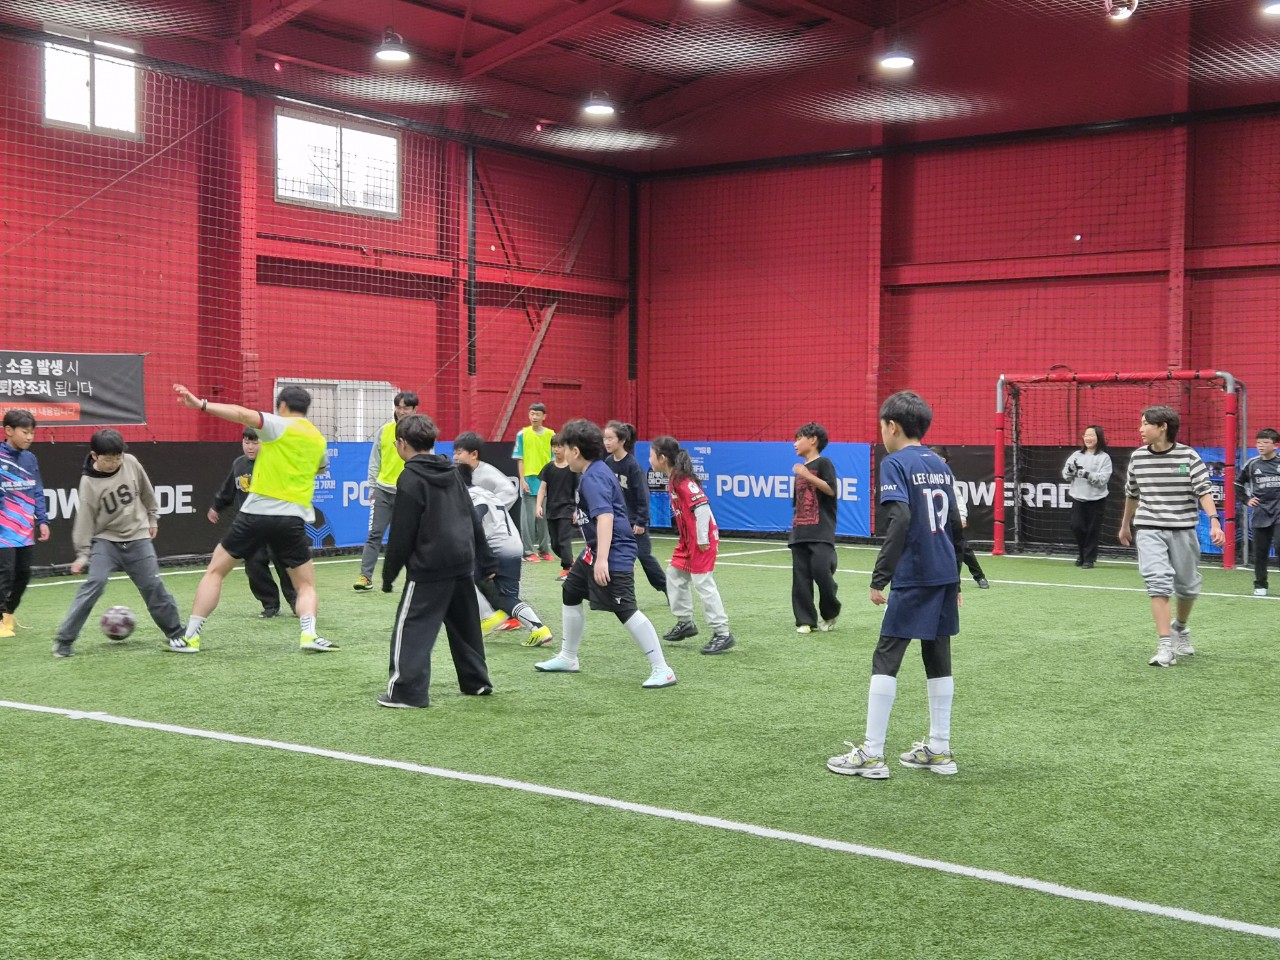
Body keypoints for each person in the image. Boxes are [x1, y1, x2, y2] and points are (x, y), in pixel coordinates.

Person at [828, 391, 964, 780]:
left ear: (892, 426)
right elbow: (955, 524)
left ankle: (872, 755)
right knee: (937, 656)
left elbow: (900, 519)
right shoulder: (939, 464)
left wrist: (880, 576)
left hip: (916, 572)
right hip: (943, 572)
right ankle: (940, 749)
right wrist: (956, 577)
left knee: (886, 656)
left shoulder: (894, 463)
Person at [171, 383, 336, 654]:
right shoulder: (318, 439)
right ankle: (309, 634)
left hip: (256, 513)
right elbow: (320, 469)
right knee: (305, 584)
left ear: (282, 406)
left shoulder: (278, 425)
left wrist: (200, 404)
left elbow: (241, 414)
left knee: (215, 572)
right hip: (292, 518)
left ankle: (190, 638)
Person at [533, 418, 676, 689]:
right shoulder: (596, 470)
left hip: (612, 552)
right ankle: (568, 657)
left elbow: (606, 517)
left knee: (625, 609)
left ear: (576, 451)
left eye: (565, 448)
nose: (561, 453)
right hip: (595, 549)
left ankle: (663, 669)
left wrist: (602, 560)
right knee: (570, 591)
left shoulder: (594, 476)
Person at [378, 414, 495, 708]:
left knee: (412, 627)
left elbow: (402, 532)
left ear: (402, 443)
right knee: (466, 626)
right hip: (462, 561)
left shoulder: (410, 477)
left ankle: (406, 693)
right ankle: (477, 682)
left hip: (430, 566)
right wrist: (486, 559)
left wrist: (389, 575)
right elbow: (472, 517)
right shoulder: (452, 471)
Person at [52, 430, 185, 657]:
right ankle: (64, 641)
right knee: (95, 583)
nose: (114, 463)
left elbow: (146, 491)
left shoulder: (131, 462)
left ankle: (176, 633)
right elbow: (85, 518)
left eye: (118, 457)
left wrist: (152, 517)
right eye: (108, 459)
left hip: (138, 537)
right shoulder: (88, 482)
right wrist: (83, 553)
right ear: (95, 456)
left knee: (153, 585)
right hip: (106, 541)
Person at [1118, 405, 1225, 667]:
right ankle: (1165, 646)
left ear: (1163, 427)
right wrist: (1125, 525)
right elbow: (1132, 493)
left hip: (1183, 529)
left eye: (1146, 424)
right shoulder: (1137, 457)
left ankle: (1181, 627)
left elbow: (1203, 490)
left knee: (1187, 587)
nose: (1140, 429)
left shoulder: (1188, 456)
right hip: (1149, 528)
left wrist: (1214, 521)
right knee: (1158, 583)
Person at [650, 435, 735, 655]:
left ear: (662, 458)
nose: (649, 459)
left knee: (703, 583)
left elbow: (703, 508)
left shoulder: (683, 481)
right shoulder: (674, 479)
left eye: (651, 455)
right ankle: (685, 622)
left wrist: (703, 539)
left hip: (701, 540)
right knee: (674, 574)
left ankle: (722, 633)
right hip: (688, 541)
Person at [458, 463, 553, 648]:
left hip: (496, 546)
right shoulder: (486, 492)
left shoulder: (471, 495)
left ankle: (488, 616)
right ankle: (539, 629)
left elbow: (477, 515)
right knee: (507, 597)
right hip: (514, 545)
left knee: (459, 576)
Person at [208, 426, 298, 618]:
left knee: (284, 563)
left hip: (276, 524)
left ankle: (297, 602)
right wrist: (216, 506)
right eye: (246, 442)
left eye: (255, 443)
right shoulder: (238, 465)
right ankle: (270, 604)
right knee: (254, 565)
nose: (250, 447)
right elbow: (228, 490)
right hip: (251, 527)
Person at [355, 392, 419, 590]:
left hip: (409, 493)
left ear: (414, 409)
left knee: (412, 537)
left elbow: (427, 460)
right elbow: (375, 460)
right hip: (383, 490)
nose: (401, 411)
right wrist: (372, 486)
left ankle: (415, 578)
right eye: (398, 407)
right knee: (375, 534)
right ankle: (365, 577)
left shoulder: (420, 432)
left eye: (406, 408)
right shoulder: (384, 431)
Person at [0, 409, 49, 638]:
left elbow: (36, 490)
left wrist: (42, 520)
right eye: (25, 432)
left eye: (32, 432)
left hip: (24, 529)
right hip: (2, 529)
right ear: (8, 430)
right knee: (5, 574)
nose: (29, 437)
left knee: (23, 574)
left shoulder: (30, 459)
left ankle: (8, 614)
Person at [604, 421, 667, 595]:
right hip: (616, 521)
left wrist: (640, 521)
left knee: (645, 557)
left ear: (622, 440)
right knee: (616, 557)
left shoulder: (632, 465)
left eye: (610, 438)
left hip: (633, 523)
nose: (606, 442)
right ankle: (618, 593)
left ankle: (667, 588)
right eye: (605, 438)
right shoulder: (608, 462)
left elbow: (643, 496)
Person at [790, 421, 841, 633]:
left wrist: (807, 474)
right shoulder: (801, 470)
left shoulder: (823, 463)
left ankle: (830, 612)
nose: (795, 443)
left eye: (799, 438)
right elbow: (798, 503)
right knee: (800, 578)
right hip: (800, 532)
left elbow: (831, 490)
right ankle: (805, 620)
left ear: (812, 440)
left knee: (822, 572)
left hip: (821, 532)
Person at [929, 445, 990, 588]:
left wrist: (962, 516)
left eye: (933, 457)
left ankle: (978, 576)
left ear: (943, 460)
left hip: (950, 518)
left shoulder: (947, 477)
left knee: (962, 548)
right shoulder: (924, 475)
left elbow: (958, 498)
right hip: (932, 520)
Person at [1235, 427, 1280, 597]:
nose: (1261, 445)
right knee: (1260, 551)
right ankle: (1260, 584)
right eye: (1258, 442)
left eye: (1265, 442)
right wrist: (1247, 500)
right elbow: (1238, 484)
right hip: (1261, 512)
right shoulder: (1252, 464)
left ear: (1275, 445)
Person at [1062, 425, 1113, 569]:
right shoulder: (1076, 455)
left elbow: (1103, 480)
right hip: (1078, 498)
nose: (1088, 438)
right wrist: (1070, 471)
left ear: (1098, 438)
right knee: (1077, 526)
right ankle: (1082, 554)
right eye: (1086, 435)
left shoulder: (1104, 458)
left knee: (1092, 530)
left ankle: (1089, 558)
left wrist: (1086, 474)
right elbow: (1065, 475)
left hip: (1097, 500)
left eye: (1092, 435)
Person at [513, 402, 554, 562]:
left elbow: (554, 459)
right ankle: (528, 552)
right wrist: (522, 480)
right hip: (529, 481)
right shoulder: (522, 434)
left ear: (544, 416)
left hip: (545, 482)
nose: (534, 417)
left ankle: (544, 550)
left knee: (544, 519)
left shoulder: (551, 434)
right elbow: (520, 459)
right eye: (532, 414)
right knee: (528, 520)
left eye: (537, 414)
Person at [536, 434, 578, 581]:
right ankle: (571, 563)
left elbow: (578, 491)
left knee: (563, 540)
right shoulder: (548, 468)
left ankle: (567, 569)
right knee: (555, 544)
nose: (556, 449)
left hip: (567, 510)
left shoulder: (573, 468)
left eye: (559, 446)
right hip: (551, 510)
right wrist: (538, 505)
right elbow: (542, 489)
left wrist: (577, 510)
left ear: (566, 448)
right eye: (554, 446)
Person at [452, 431, 518, 507]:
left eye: (459, 453)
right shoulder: (455, 472)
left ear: (474, 454)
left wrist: (488, 508)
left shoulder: (488, 473)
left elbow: (510, 492)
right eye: (454, 453)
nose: (455, 457)